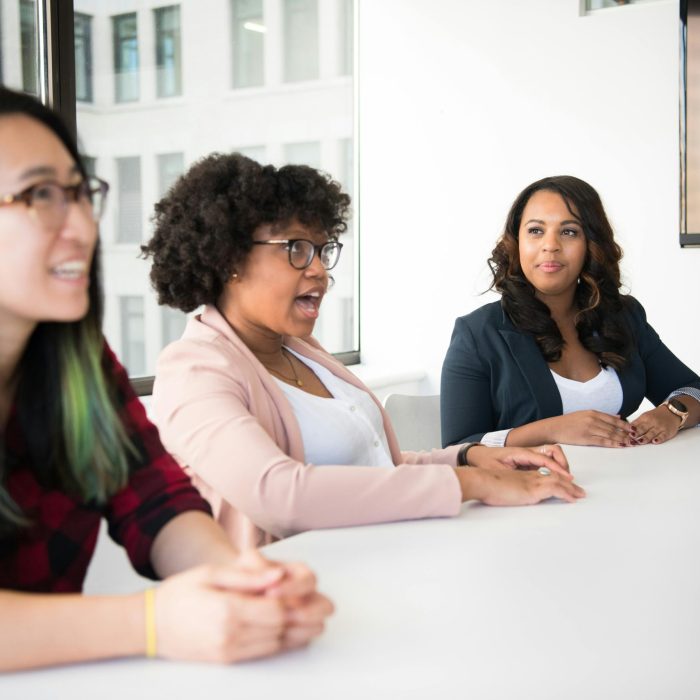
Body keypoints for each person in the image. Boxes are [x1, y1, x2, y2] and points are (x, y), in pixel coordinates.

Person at [0, 87, 332, 672]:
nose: (79, 224)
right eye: (41, 195)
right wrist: (151, 622)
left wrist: (241, 580)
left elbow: (152, 498)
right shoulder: (200, 362)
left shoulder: (78, 359)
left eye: (80, 194)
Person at [142, 154, 585, 549]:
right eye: (296, 249)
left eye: (321, 249)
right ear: (229, 260)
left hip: (382, 566)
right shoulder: (194, 370)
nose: (318, 270)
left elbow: (375, 465)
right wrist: (470, 482)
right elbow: (281, 496)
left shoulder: (302, 351)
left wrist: (471, 457)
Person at [441, 175, 700, 448]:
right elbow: (459, 449)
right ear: (516, 242)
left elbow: (693, 389)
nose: (550, 245)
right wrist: (553, 430)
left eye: (569, 232)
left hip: (626, 482)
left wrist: (672, 413)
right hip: (531, 487)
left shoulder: (624, 315)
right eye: (535, 230)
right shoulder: (478, 334)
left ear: (591, 244)